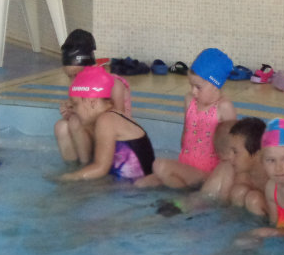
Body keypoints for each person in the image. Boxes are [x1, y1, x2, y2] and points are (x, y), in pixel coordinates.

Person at [136, 48, 237, 188]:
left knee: (159, 165)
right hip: (185, 167)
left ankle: (184, 196)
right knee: (141, 183)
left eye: (198, 87)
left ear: (215, 85)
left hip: (207, 174)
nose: (193, 91)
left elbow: (233, 149)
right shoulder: (190, 100)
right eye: (191, 85)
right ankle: (182, 194)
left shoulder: (224, 107)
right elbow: (186, 133)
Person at [57, 66, 154, 181]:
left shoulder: (106, 120)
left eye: (75, 104)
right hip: (127, 182)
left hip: (134, 186)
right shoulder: (111, 116)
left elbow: (100, 168)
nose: (74, 110)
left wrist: (69, 177)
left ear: (92, 102)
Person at [54, 29, 131, 163]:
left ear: (92, 67)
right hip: (89, 135)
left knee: (75, 122)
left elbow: (118, 122)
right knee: (61, 127)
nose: (73, 81)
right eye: (69, 77)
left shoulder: (113, 84)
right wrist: (70, 111)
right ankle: (74, 167)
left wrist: (81, 114)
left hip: (115, 138)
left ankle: (88, 167)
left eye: (76, 75)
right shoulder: (77, 85)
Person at [199, 117, 269, 216]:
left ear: (257, 154)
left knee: (254, 199)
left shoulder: (276, 174)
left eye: (235, 152)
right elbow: (203, 198)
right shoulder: (233, 169)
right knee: (238, 192)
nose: (230, 157)